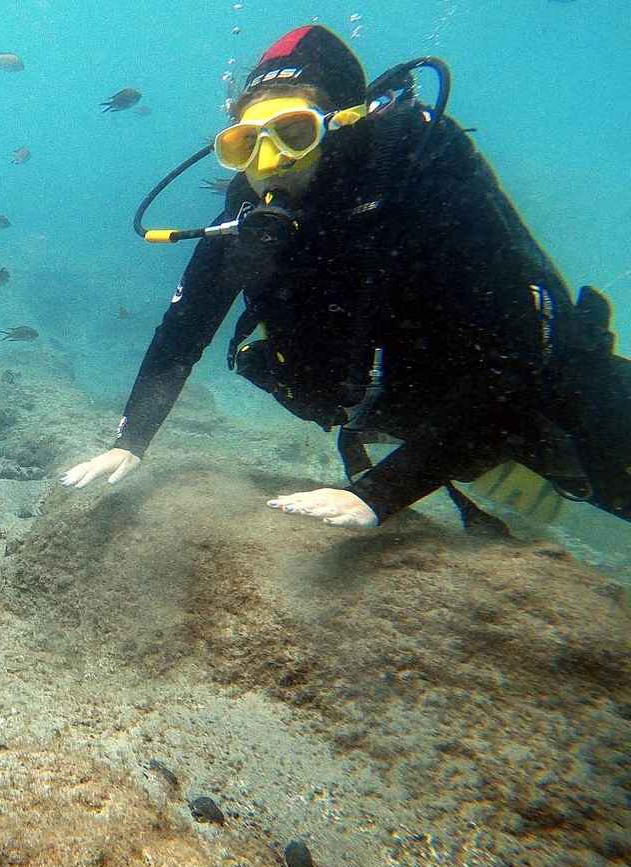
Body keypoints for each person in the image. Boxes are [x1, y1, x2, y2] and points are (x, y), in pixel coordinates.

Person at [62, 24, 631, 531]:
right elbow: (183, 329)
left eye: (294, 131)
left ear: (344, 124)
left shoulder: (418, 173)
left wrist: (380, 494)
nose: (269, 161)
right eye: (245, 143)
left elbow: (514, 360)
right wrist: (131, 440)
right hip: (401, 411)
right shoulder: (246, 212)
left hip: (536, 396)